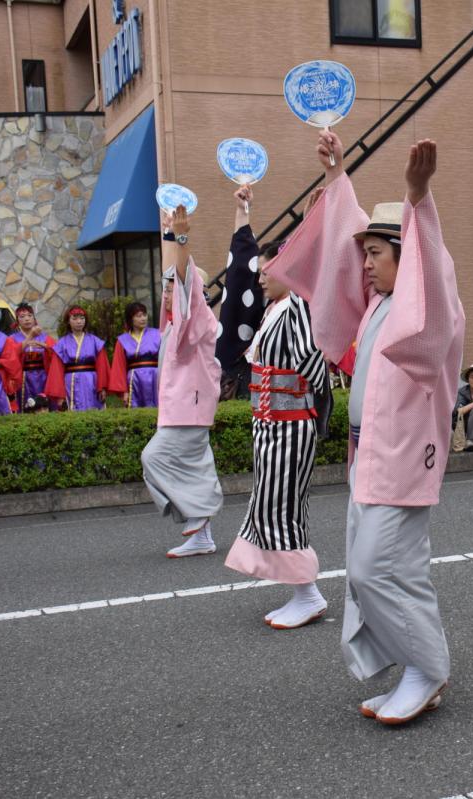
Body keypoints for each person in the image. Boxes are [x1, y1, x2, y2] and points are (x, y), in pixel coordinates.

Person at [265, 131, 464, 725]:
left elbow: (434, 268)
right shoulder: (379, 303)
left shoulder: (430, 304)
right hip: (370, 457)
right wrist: (337, 175)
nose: (365, 264)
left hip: (403, 459)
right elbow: (338, 252)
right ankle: (412, 669)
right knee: (383, 569)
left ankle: (428, 668)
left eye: (377, 252)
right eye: (367, 253)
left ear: (410, 253)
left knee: (378, 568)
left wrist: (418, 198)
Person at [225, 213, 331, 629]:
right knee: (271, 503)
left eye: (269, 271)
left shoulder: (298, 307)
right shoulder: (277, 309)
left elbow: (313, 359)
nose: (262, 278)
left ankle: (308, 594)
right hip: (272, 423)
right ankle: (303, 591)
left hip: (289, 423)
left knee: (282, 506)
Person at [140, 205, 224, 559]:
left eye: (174, 285)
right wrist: (168, 234)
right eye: (167, 286)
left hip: (187, 409)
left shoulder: (199, 319)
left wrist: (182, 238)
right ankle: (202, 534)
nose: (169, 290)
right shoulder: (173, 324)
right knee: (193, 467)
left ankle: (199, 511)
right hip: (183, 408)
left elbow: (187, 281)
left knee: (154, 457)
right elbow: (176, 282)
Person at [214, 185, 265, 401]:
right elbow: (239, 273)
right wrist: (243, 211)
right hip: (244, 384)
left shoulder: (286, 306)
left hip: (277, 404)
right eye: (260, 273)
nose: (262, 279)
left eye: (265, 272)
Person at [46, 306, 108, 412]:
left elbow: (102, 365)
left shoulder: (95, 341)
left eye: (82, 318)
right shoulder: (62, 343)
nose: (79, 321)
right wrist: (60, 395)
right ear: (68, 321)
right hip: (70, 382)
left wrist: (102, 387)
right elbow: (57, 370)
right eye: (74, 319)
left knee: (93, 411)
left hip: (91, 381)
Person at [108, 302, 161, 408]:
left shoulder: (158, 334)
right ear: (130, 319)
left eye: (144, 315)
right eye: (138, 316)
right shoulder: (122, 340)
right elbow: (119, 367)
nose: (143, 319)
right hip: (134, 380)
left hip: (155, 378)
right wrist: (124, 392)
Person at [10, 303, 56, 412]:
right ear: (17, 321)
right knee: (25, 406)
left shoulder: (45, 337)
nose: (27, 319)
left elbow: (56, 353)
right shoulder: (12, 338)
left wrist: (44, 346)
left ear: (34, 318)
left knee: (43, 405)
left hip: (42, 376)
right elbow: (11, 356)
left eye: (30, 315)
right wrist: (30, 337)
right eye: (22, 317)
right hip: (23, 377)